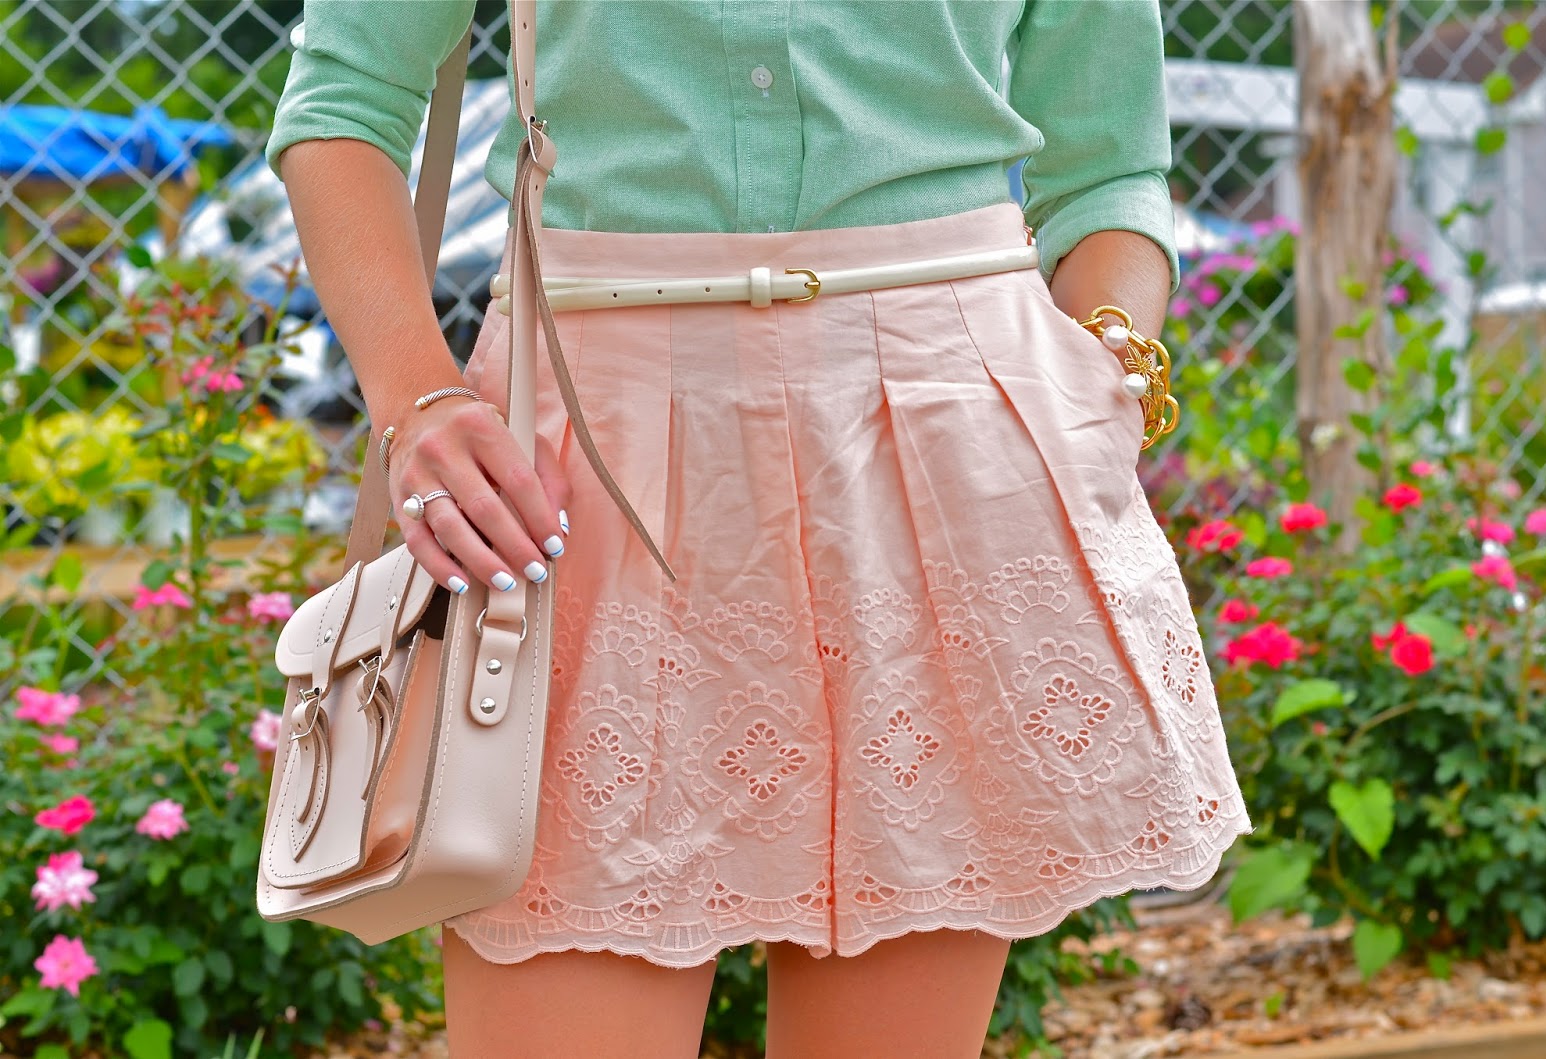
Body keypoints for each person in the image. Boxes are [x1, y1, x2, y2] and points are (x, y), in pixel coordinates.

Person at [265, 1, 1252, 1055]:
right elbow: (346, 101)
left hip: (948, 452)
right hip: (590, 465)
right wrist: (416, 399)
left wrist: (1102, 379)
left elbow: (1109, 166)